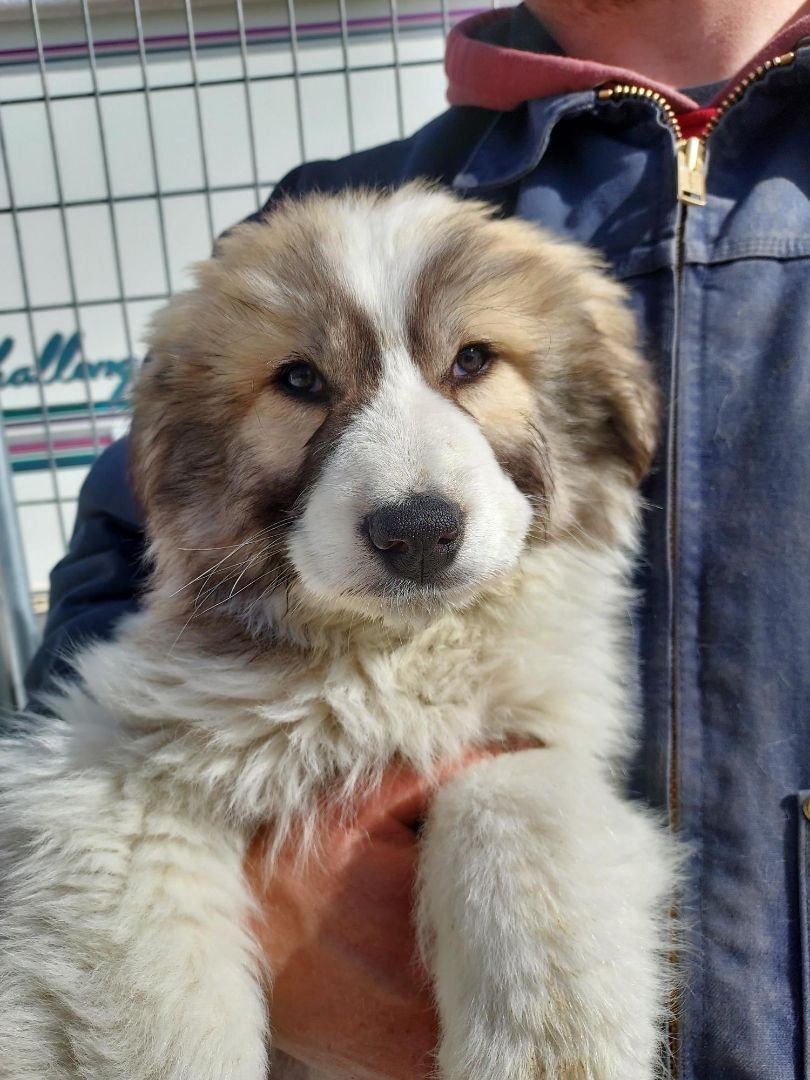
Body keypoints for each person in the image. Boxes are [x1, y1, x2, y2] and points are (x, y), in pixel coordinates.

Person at [24, 2, 810, 1077]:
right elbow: (112, 627)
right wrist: (264, 914)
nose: (408, 491)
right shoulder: (312, 216)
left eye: (474, 361)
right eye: (303, 384)